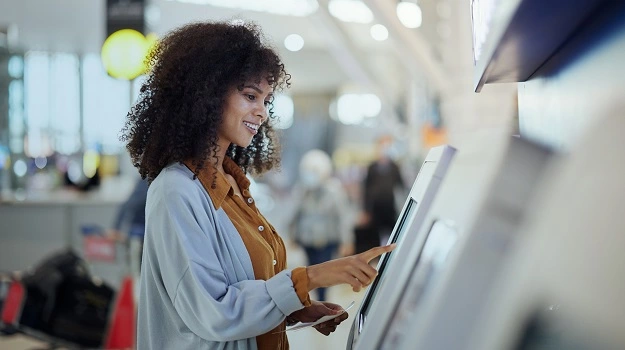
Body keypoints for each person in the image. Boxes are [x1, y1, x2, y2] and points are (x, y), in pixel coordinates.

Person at [121, 21, 394, 350]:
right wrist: (314, 278)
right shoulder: (176, 191)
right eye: (250, 96)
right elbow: (215, 311)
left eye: (266, 100)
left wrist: (294, 309)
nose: (261, 112)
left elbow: (241, 288)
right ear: (206, 94)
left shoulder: (231, 183)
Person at [290, 149, 354, 301]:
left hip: (328, 241)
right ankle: (315, 301)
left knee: (324, 274)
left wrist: (347, 241)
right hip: (307, 241)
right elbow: (293, 215)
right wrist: (292, 235)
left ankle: (322, 302)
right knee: (310, 272)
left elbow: (343, 217)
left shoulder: (334, 191)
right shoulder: (302, 190)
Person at [361, 135, 406, 248]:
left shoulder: (395, 167)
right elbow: (366, 190)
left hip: (390, 207)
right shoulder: (372, 167)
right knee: (374, 236)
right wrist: (365, 210)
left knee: (393, 234)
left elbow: (402, 187)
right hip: (375, 208)